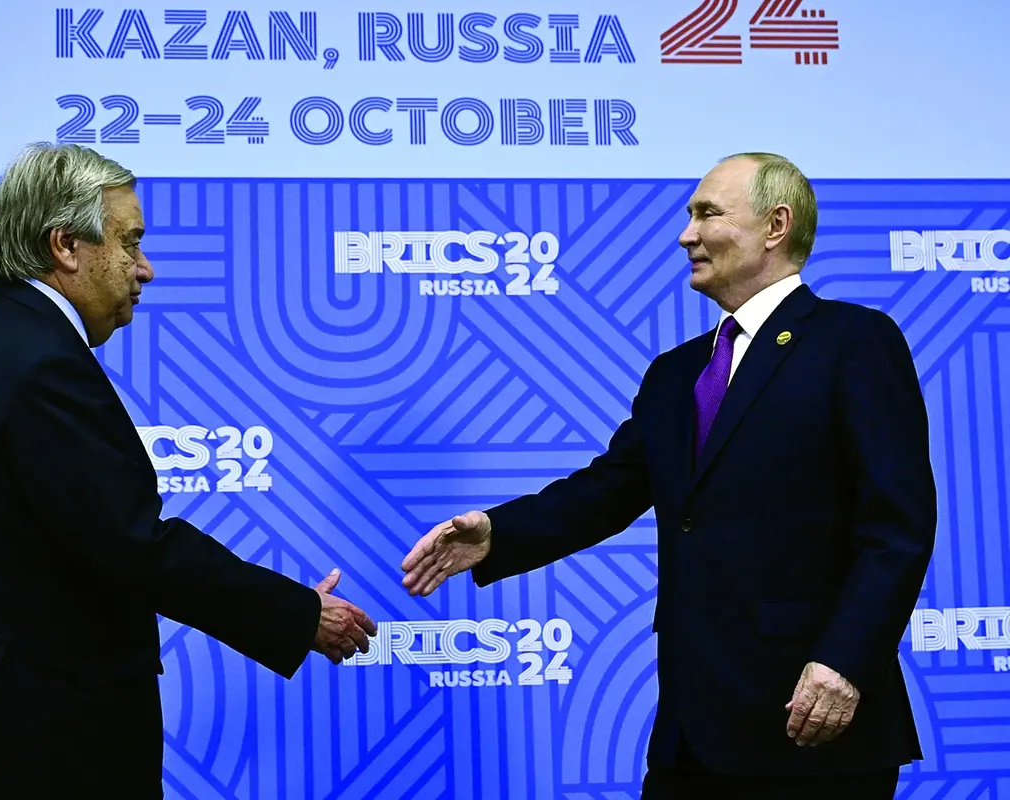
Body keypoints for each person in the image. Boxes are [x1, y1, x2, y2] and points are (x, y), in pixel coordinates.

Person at [0, 142, 376, 799]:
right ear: (65, 245)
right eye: (130, 242)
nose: (144, 269)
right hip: (23, 744)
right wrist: (299, 614)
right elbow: (134, 544)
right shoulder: (40, 364)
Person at [401, 153, 936, 799]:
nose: (687, 234)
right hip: (692, 730)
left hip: (811, 718)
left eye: (707, 213)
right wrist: (499, 534)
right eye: (689, 216)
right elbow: (610, 487)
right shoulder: (677, 371)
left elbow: (897, 528)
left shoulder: (855, 340)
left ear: (776, 225)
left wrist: (845, 663)